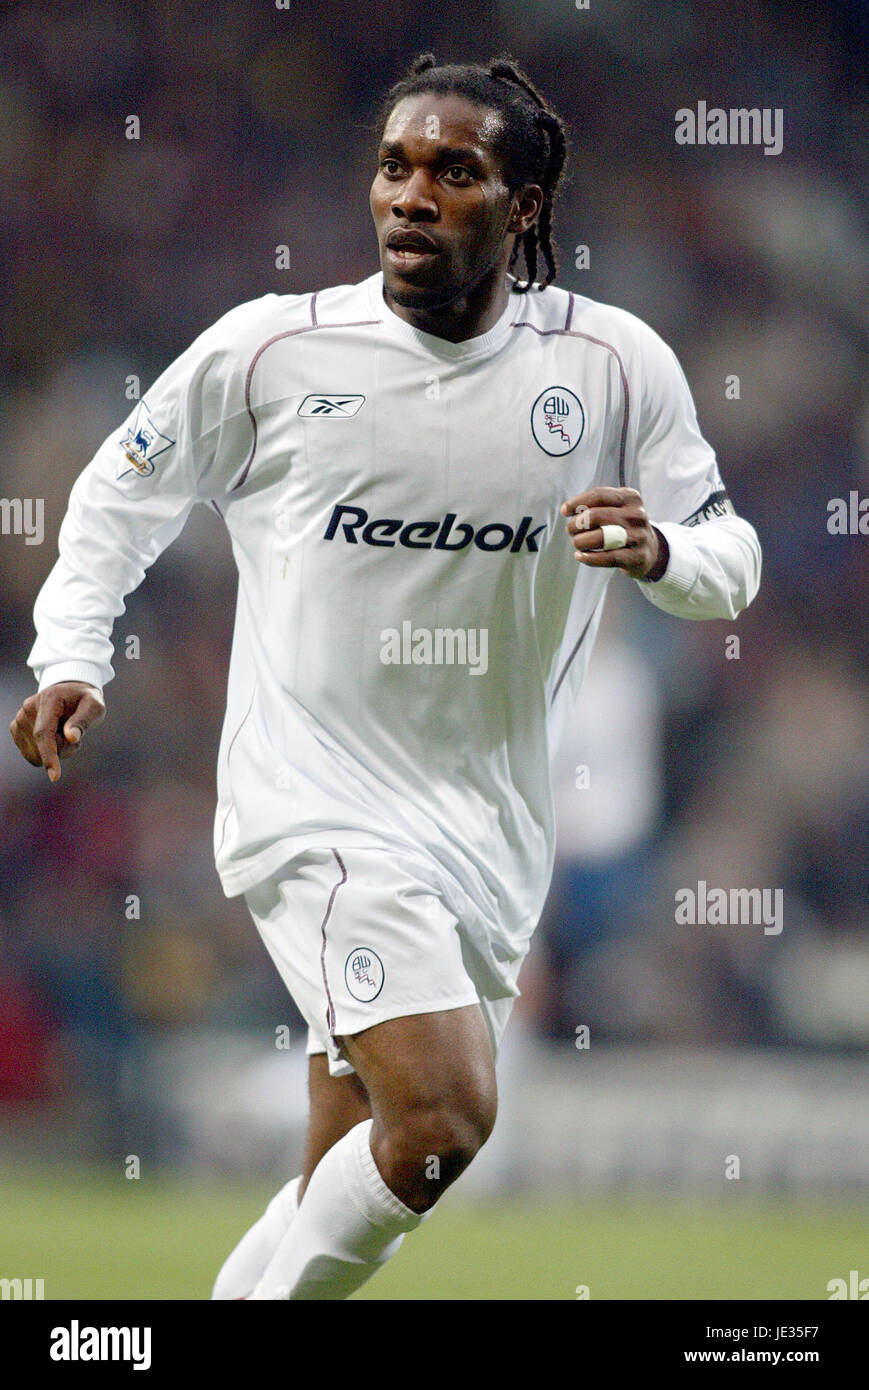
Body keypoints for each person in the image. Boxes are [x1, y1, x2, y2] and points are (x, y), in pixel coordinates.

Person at [10, 53, 761, 1299]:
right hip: (313, 805)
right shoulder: (274, 352)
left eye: (453, 172)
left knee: (353, 1162)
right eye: (394, 167)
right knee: (446, 1116)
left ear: (520, 207)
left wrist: (659, 547)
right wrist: (73, 651)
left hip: (488, 831)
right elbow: (117, 491)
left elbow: (727, 562)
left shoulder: (614, 368)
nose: (410, 195)